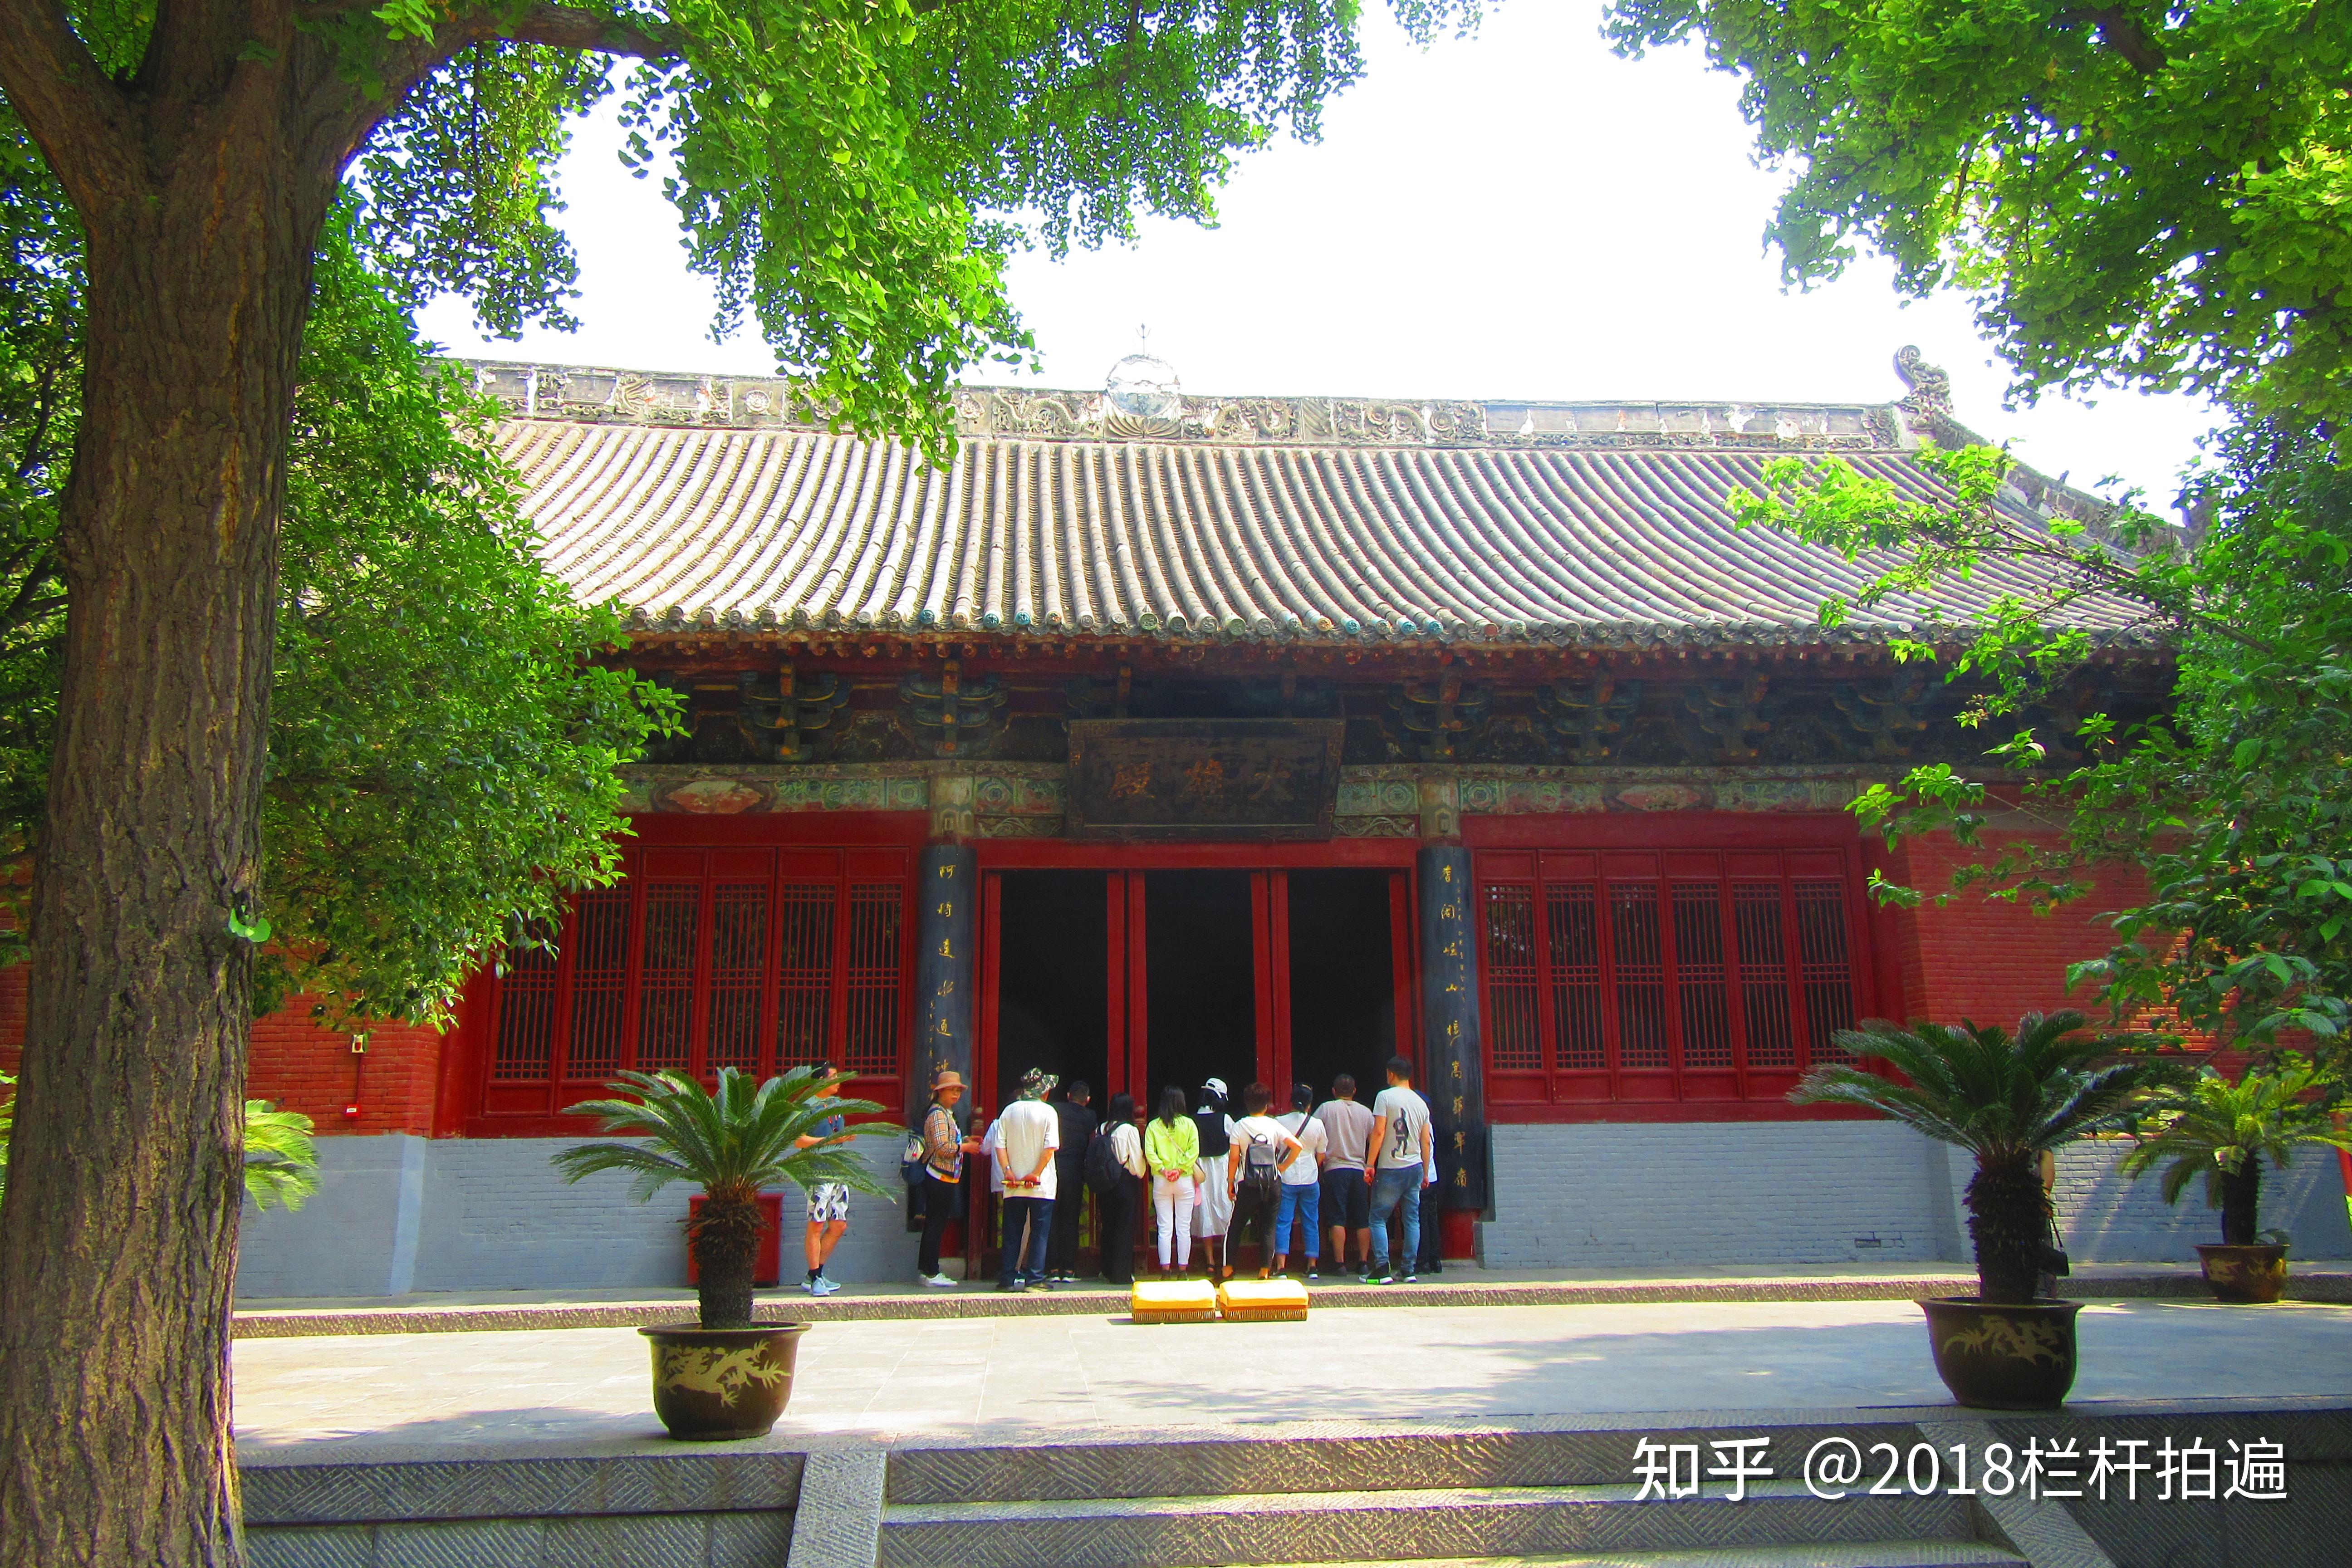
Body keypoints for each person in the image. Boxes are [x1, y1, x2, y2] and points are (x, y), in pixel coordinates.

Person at [1364, 1054, 1434, 1285]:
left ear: (1391, 1074)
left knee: (1378, 1217)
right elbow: (1426, 1141)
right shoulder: (1421, 1102)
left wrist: (1370, 1163)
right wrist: (1425, 1172)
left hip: (1391, 1167)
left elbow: (1379, 1132)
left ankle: (1382, 1268)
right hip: (1414, 1167)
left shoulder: (1385, 1097)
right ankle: (1408, 1269)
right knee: (1412, 1220)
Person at [1225, 1081, 1303, 1281]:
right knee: (1268, 1227)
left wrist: (1230, 1182)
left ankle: (1228, 1270)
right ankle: (1264, 1272)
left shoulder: (1239, 1126)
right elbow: (1297, 1146)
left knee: (1236, 1226)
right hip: (1272, 1182)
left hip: (1248, 1183)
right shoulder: (1274, 1125)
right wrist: (1282, 1168)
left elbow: (1234, 1157)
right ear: (1266, 1105)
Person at [993, 1068, 1061, 1292]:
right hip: (1041, 1185)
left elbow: (999, 1145)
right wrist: (1037, 1172)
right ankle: (1034, 1279)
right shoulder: (1048, 1112)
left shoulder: (1008, 1112)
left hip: (1013, 1185)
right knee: (1040, 1232)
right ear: (1044, 1092)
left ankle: (1007, 1277)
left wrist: (1008, 1171)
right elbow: (1050, 1147)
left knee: (1012, 1231)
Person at [916, 1071, 985, 1288]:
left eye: (958, 1090)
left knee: (936, 1224)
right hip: (937, 1176)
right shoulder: (937, 1114)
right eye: (952, 1090)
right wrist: (965, 1148)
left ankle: (928, 1270)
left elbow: (948, 1140)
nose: (956, 1094)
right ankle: (931, 1271)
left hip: (944, 1176)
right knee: (935, 1224)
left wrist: (964, 1140)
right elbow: (943, 1147)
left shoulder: (946, 1114)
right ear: (940, 1092)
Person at [1314, 1073, 1377, 1277]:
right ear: (1355, 1091)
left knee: (1337, 1219)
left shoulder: (1326, 1109)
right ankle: (1364, 1262)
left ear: (1334, 1091)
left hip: (1334, 1169)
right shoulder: (1366, 1113)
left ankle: (1340, 1264)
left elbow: (1312, 1132)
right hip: (1359, 1169)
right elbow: (1374, 1139)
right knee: (1362, 1219)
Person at [794, 1107, 853, 1296]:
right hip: (817, 1175)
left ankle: (815, 1273)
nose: (837, 1083)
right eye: (833, 1076)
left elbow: (839, 1135)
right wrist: (829, 1141)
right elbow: (799, 1141)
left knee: (839, 1226)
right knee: (817, 1224)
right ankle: (815, 1277)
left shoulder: (837, 1105)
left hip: (837, 1173)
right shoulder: (808, 1107)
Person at [1142, 1085, 1200, 1276]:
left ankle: (1165, 1270)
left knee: (1164, 1227)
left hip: (1161, 1180)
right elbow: (1194, 1151)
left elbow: (1150, 1153)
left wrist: (1163, 1170)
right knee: (1184, 1227)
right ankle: (1183, 1270)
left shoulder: (1153, 1126)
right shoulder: (1190, 1124)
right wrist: (1181, 1168)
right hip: (1184, 1180)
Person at [1047, 1080, 1099, 1283]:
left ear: (1068, 1096)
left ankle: (1052, 1270)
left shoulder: (1055, 1109)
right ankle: (1068, 1270)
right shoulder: (1091, 1116)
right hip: (1076, 1173)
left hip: (1054, 1170)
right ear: (1087, 1100)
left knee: (1052, 1220)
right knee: (1071, 1221)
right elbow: (1092, 1144)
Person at [1273, 1082, 1327, 1279]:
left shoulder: (1279, 1122)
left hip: (1286, 1176)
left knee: (1283, 1221)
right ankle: (1312, 1265)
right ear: (1310, 1104)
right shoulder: (1317, 1124)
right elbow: (1321, 1155)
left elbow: (1275, 1148)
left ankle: (1281, 1266)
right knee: (1311, 1221)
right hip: (1311, 1177)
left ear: (1291, 1101)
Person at [1095, 1092, 1146, 1287]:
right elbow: (1136, 1162)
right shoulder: (1129, 1130)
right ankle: (1121, 1274)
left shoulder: (1102, 1128)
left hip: (1105, 1181)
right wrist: (1141, 1171)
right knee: (1124, 1228)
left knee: (1108, 1226)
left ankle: (1106, 1269)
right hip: (1124, 1181)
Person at [1189, 1077, 1237, 1278]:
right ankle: (1227, 1260)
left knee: (1205, 1213)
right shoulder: (1225, 1119)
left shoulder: (1191, 1120)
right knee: (1227, 1211)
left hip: (1200, 1171)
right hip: (1222, 1169)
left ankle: (1210, 1262)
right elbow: (1236, 1142)